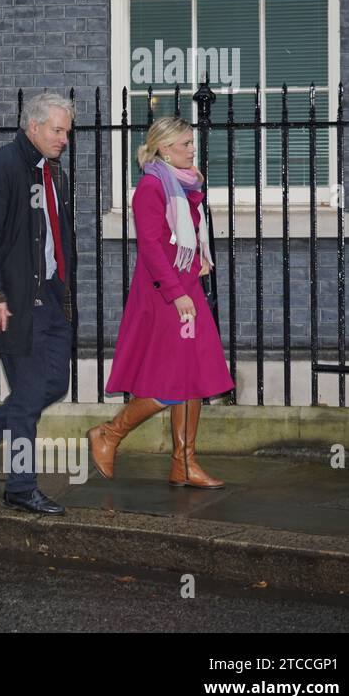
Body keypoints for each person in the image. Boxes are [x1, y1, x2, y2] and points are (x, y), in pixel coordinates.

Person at [0, 91, 76, 514]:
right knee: (27, 397)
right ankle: (21, 486)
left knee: (54, 383)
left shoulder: (50, 171)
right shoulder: (2, 168)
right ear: (33, 127)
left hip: (50, 300)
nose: (64, 138)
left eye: (67, 131)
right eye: (57, 130)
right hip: (16, 303)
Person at [90, 117, 233, 488]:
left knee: (194, 374)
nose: (192, 149)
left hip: (186, 288)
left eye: (191, 142)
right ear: (165, 148)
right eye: (185, 143)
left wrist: (197, 253)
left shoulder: (181, 183)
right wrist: (177, 292)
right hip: (167, 294)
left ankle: (183, 464)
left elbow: (181, 233)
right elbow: (151, 246)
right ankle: (109, 433)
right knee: (171, 380)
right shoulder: (151, 187)